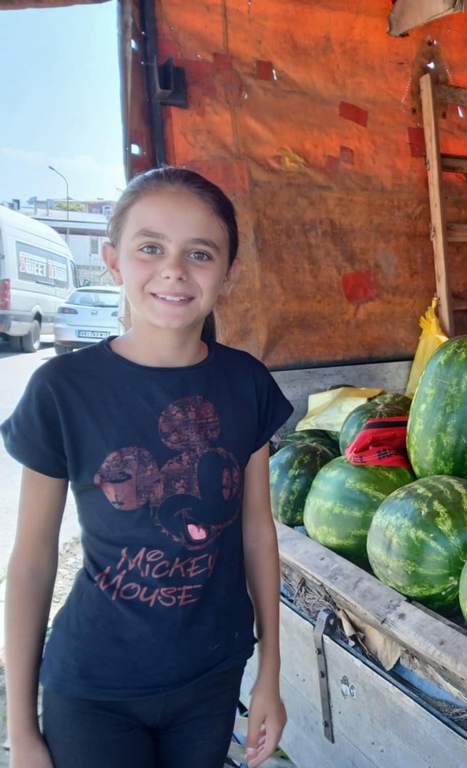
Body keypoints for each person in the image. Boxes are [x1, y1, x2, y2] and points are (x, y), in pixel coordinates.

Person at [3, 167, 293, 768]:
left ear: (229, 272)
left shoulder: (246, 384)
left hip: (213, 672)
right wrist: (22, 728)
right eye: (150, 248)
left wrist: (270, 672)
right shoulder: (62, 390)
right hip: (92, 687)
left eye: (200, 253)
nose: (174, 270)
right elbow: (33, 558)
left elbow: (257, 532)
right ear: (113, 262)